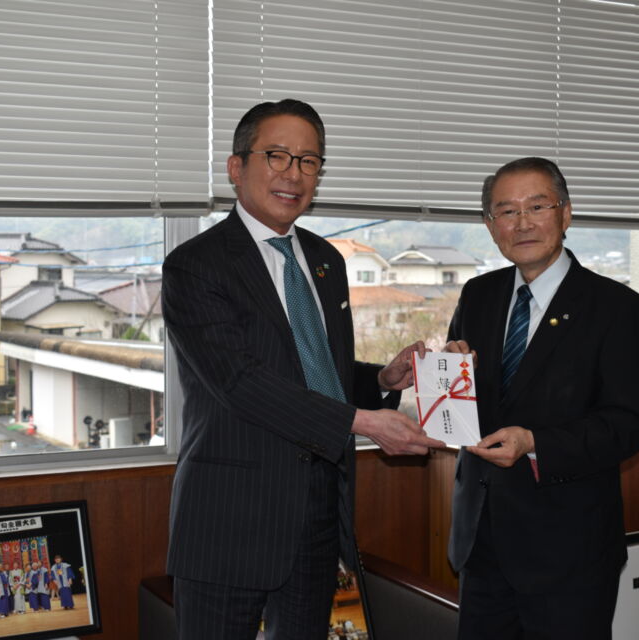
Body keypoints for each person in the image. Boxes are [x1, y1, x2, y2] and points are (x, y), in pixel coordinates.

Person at [162, 98, 443, 640]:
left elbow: (315, 368)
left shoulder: (325, 259)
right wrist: (362, 422)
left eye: (309, 161)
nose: (294, 173)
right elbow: (240, 382)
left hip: (318, 515)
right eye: (277, 156)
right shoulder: (195, 264)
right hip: (228, 519)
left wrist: (380, 381)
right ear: (236, 167)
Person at [445, 157, 639, 639]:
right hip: (482, 543)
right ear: (490, 225)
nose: (522, 223)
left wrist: (535, 442)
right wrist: (449, 374)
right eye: (506, 211)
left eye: (537, 206)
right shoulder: (477, 294)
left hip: (570, 554)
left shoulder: (615, 307)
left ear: (565, 213)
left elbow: (628, 424)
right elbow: (465, 408)